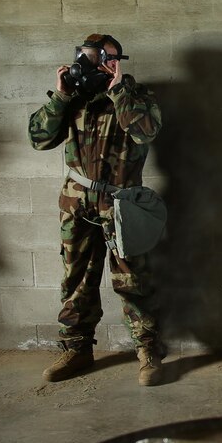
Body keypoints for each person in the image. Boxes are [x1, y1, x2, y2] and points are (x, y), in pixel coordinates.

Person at [29, 34, 166, 386]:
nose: (95, 65)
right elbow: (39, 138)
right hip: (76, 201)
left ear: (118, 62)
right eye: (89, 58)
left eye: (105, 59)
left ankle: (148, 351)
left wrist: (119, 89)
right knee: (76, 279)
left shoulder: (136, 97)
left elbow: (145, 132)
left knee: (132, 280)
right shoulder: (74, 99)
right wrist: (60, 95)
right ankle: (77, 349)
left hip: (122, 204)